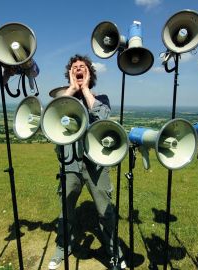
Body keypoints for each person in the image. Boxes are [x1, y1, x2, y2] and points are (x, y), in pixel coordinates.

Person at [48, 54, 126, 270]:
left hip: (96, 163)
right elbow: (51, 115)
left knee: (105, 211)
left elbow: (102, 118)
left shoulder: (101, 98)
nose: (78, 69)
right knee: (67, 208)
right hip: (69, 162)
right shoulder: (64, 97)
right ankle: (63, 247)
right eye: (74, 67)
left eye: (82, 67)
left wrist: (85, 90)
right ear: (69, 73)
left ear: (90, 72)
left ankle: (113, 253)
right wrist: (72, 89)